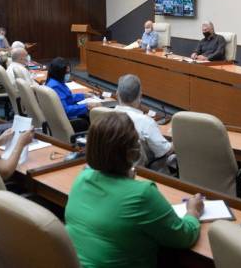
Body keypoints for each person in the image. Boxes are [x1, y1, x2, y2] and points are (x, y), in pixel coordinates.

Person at [65, 112, 203, 267]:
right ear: (133, 151)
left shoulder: (82, 178)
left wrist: (123, 176)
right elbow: (183, 237)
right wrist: (193, 212)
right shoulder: (142, 194)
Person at [115, 74, 173, 167]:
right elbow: (164, 151)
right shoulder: (146, 122)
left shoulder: (107, 116)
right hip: (141, 173)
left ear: (117, 94)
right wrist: (177, 142)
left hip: (113, 168)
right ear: (140, 96)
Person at [46, 57, 97, 130]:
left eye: (69, 72)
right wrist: (86, 106)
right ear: (58, 72)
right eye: (66, 73)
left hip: (61, 118)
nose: (68, 74)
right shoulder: (55, 87)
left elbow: (67, 97)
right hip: (66, 121)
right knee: (88, 118)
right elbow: (66, 110)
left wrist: (83, 96)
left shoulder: (53, 82)